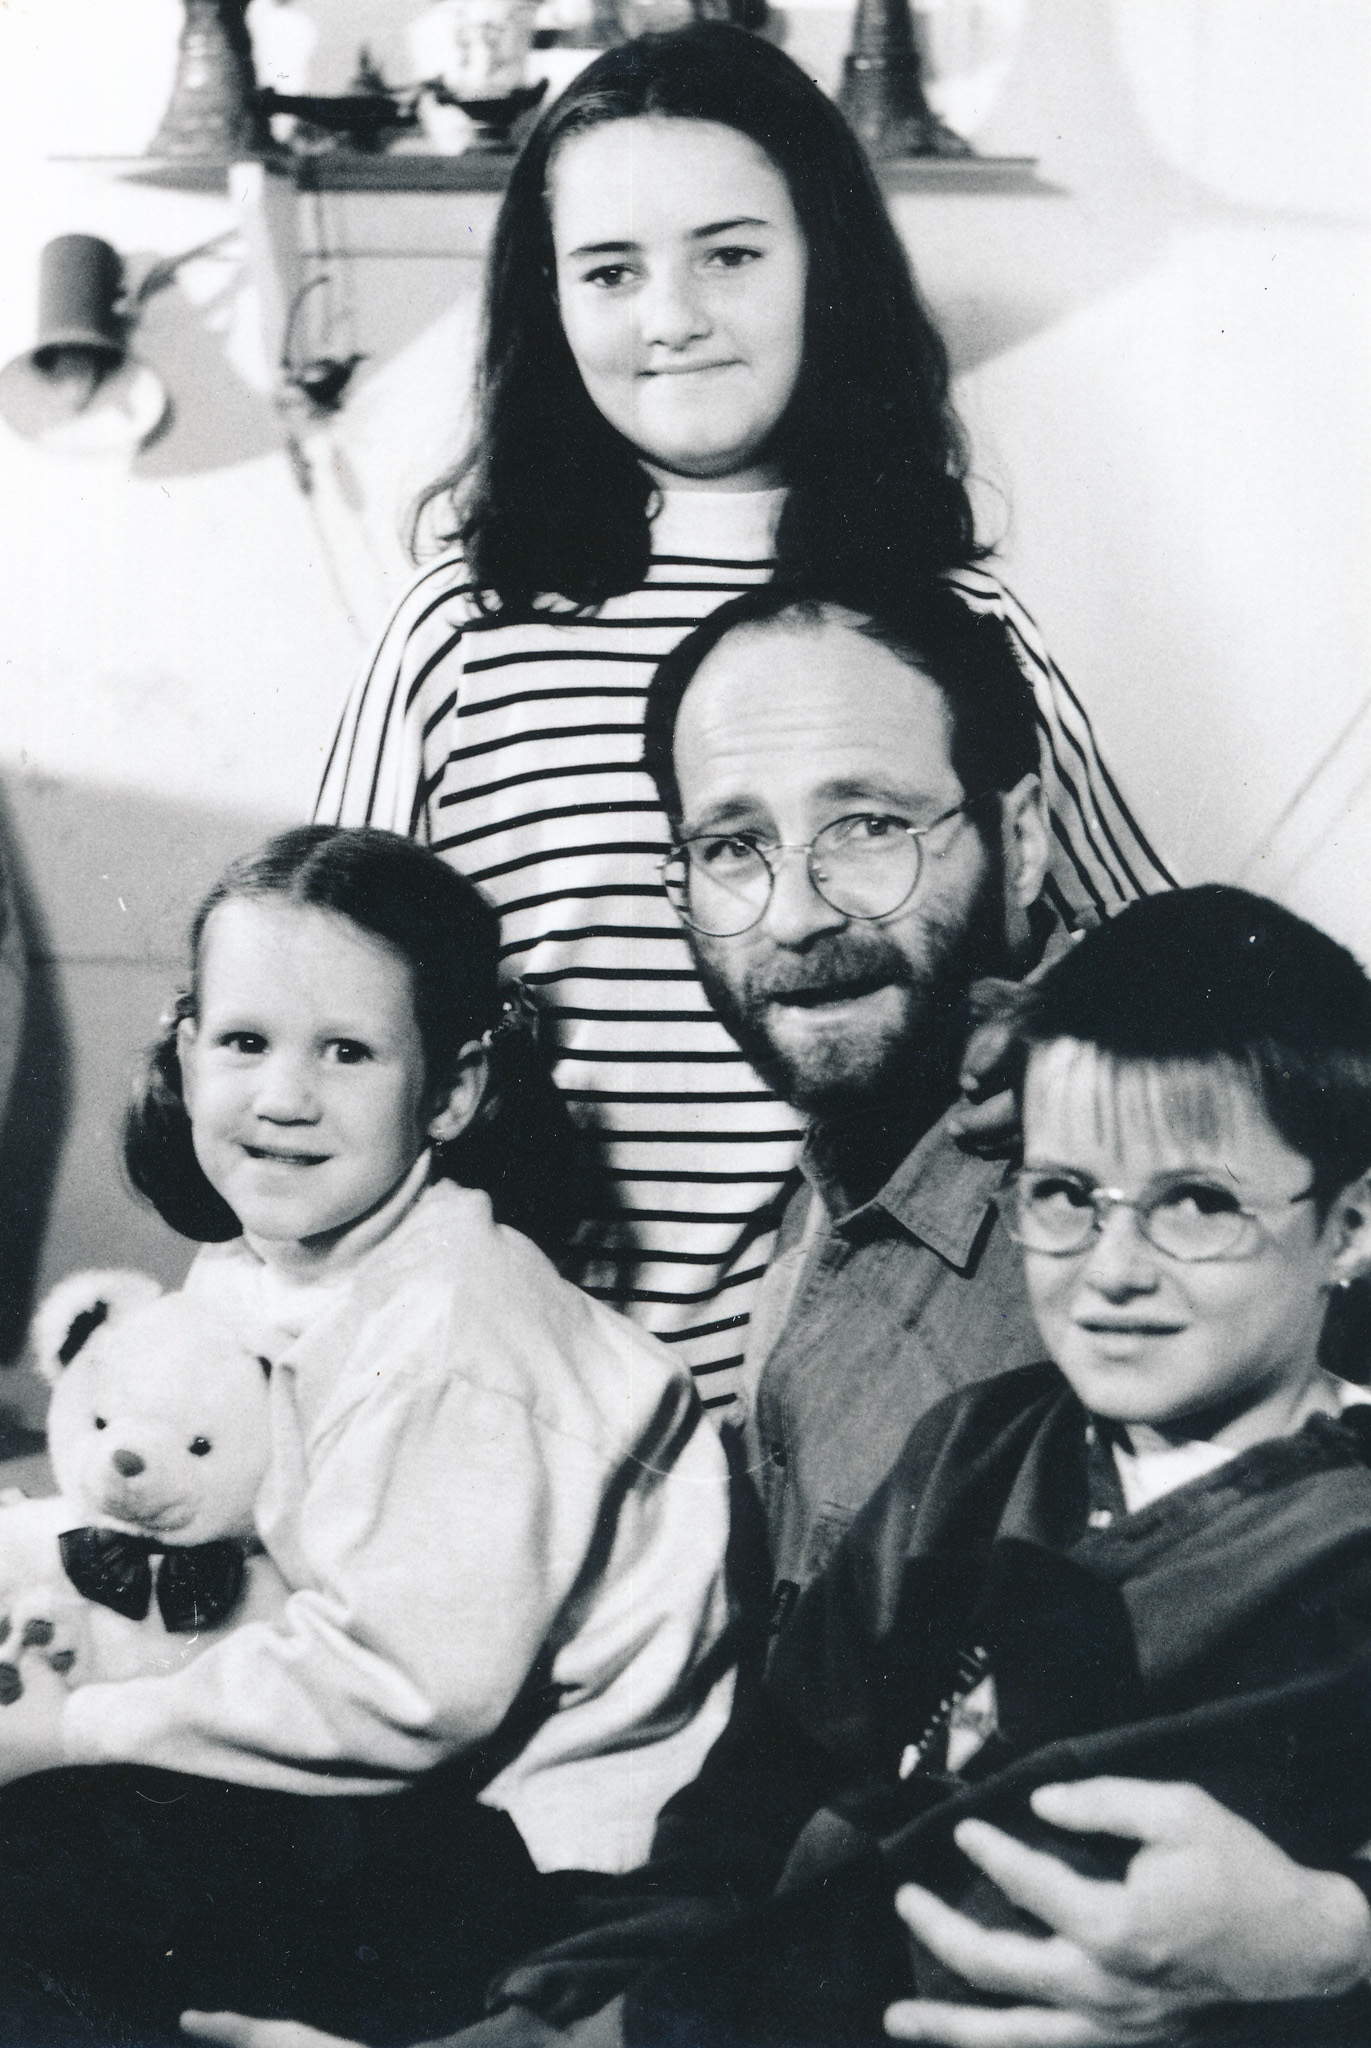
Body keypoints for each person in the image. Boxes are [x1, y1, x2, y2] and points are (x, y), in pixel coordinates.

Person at [315, 22, 1173, 1411]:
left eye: (728, 255)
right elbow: (317, 1005)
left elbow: (1171, 983)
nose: (672, 316)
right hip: (521, 1407)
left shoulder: (956, 624)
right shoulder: (459, 634)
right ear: (546, 302)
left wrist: (1064, 1054)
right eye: (610, 270)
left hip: (885, 1406)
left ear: (825, 266)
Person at [464, 883, 1371, 2048]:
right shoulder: (973, 1449)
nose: (1113, 1269)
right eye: (1065, 1194)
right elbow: (745, 1816)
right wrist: (543, 2015)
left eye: (1197, 1202)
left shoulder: (1338, 1544)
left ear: (1349, 1228)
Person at [0, 824, 732, 2047]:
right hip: (404, 1787)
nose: (284, 1095)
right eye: (245, 1041)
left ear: (451, 1089)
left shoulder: (458, 1327)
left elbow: (405, 1693)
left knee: (39, 1871)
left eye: (346, 1050)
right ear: (187, 1051)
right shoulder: (262, 1267)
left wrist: (68, 1731)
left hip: (548, 1860)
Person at [639, 582, 1059, 1602]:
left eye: (867, 825)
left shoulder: (1107, 1227)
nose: (793, 917)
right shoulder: (847, 1153)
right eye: (732, 846)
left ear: (1022, 841)